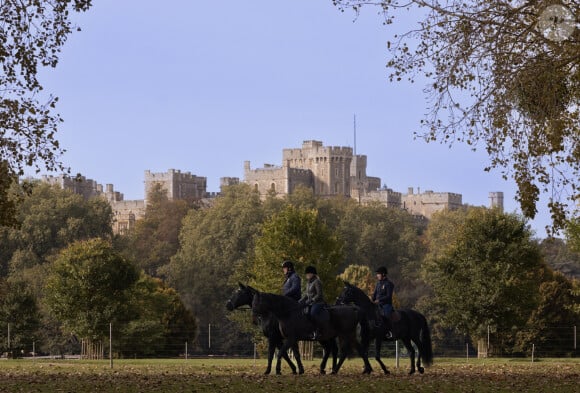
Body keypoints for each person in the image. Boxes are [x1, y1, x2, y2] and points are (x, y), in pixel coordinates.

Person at [299, 266, 330, 340]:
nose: (307, 275)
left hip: (318, 303)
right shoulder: (308, 283)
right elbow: (307, 294)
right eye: (306, 274)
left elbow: (319, 294)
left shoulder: (317, 281)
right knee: (303, 312)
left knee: (313, 313)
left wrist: (312, 300)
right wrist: (300, 301)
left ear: (312, 274)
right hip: (310, 303)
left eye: (308, 273)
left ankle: (317, 331)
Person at [372, 266, 394, 335]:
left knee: (385, 315)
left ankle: (389, 331)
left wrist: (379, 300)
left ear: (383, 274)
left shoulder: (389, 284)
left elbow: (388, 296)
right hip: (377, 304)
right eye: (377, 274)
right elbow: (374, 295)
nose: (377, 275)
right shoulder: (378, 284)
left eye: (378, 274)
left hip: (386, 305)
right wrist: (371, 299)